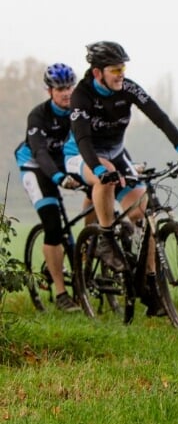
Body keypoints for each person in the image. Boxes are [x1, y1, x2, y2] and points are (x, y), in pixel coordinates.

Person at [64, 41, 178, 317]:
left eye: (123, 68)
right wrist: (98, 170)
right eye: (115, 70)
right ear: (98, 73)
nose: (121, 74)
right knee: (106, 177)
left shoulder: (129, 88)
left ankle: (150, 284)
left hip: (116, 154)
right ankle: (105, 238)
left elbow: (159, 117)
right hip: (81, 154)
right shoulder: (82, 95)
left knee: (143, 215)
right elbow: (83, 138)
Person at [14, 63, 86, 312]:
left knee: (98, 192)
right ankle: (61, 293)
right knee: (53, 226)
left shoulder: (79, 111)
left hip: (64, 163)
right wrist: (58, 178)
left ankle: (89, 249)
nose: (67, 93)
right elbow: (39, 152)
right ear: (50, 91)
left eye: (69, 87)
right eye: (60, 89)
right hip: (35, 165)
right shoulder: (39, 115)